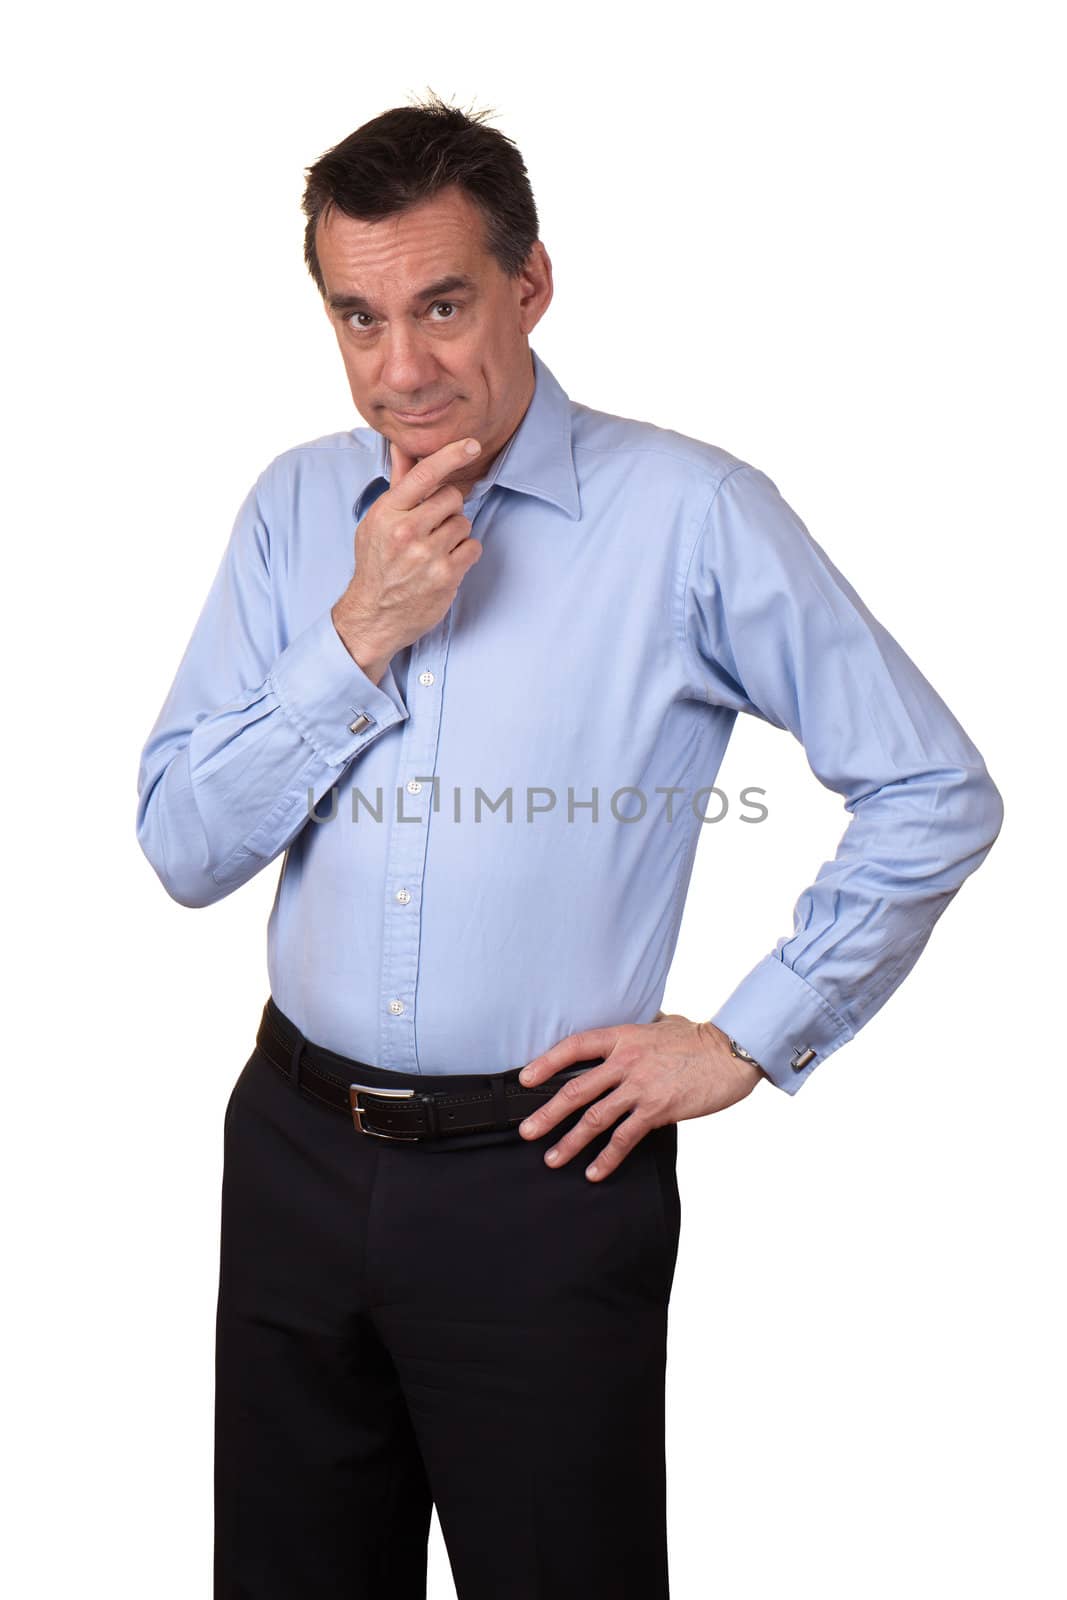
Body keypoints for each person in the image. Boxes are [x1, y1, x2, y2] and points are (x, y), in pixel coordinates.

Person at [135, 91, 1003, 1600]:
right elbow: (181, 845)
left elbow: (933, 787)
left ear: (533, 285)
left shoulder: (694, 517)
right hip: (285, 1154)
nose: (399, 370)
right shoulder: (291, 515)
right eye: (357, 318)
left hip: (541, 1181)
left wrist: (746, 1037)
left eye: (444, 305)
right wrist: (358, 638)